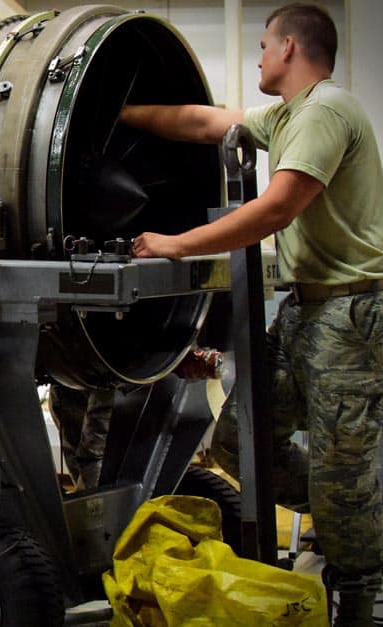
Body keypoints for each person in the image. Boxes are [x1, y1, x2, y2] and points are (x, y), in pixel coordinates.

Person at [121, 4, 383, 624]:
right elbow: (200, 122)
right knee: (241, 441)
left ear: (289, 47)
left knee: (341, 469)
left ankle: (360, 596)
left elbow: (276, 208)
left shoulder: (325, 111)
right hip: (306, 312)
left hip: (349, 314)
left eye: (264, 45)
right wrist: (116, 113)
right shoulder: (289, 115)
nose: (258, 56)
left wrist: (176, 242)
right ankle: (354, 506)